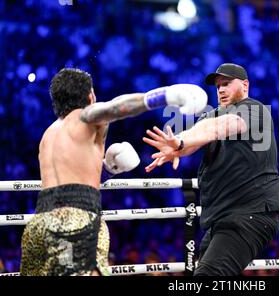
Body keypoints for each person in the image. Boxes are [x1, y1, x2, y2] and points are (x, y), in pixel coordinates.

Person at [20, 68, 207, 276]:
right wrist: (167, 95)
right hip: (75, 221)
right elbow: (118, 107)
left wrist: (108, 170)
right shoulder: (85, 117)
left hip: (38, 225)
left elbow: (70, 182)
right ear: (90, 95)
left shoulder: (49, 135)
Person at [143, 63, 279, 276]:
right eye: (218, 87)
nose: (221, 90)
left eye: (226, 84)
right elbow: (198, 133)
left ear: (245, 85)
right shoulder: (212, 115)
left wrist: (180, 143)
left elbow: (222, 126)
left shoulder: (254, 109)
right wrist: (178, 143)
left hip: (250, 215)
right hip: (222, 219)